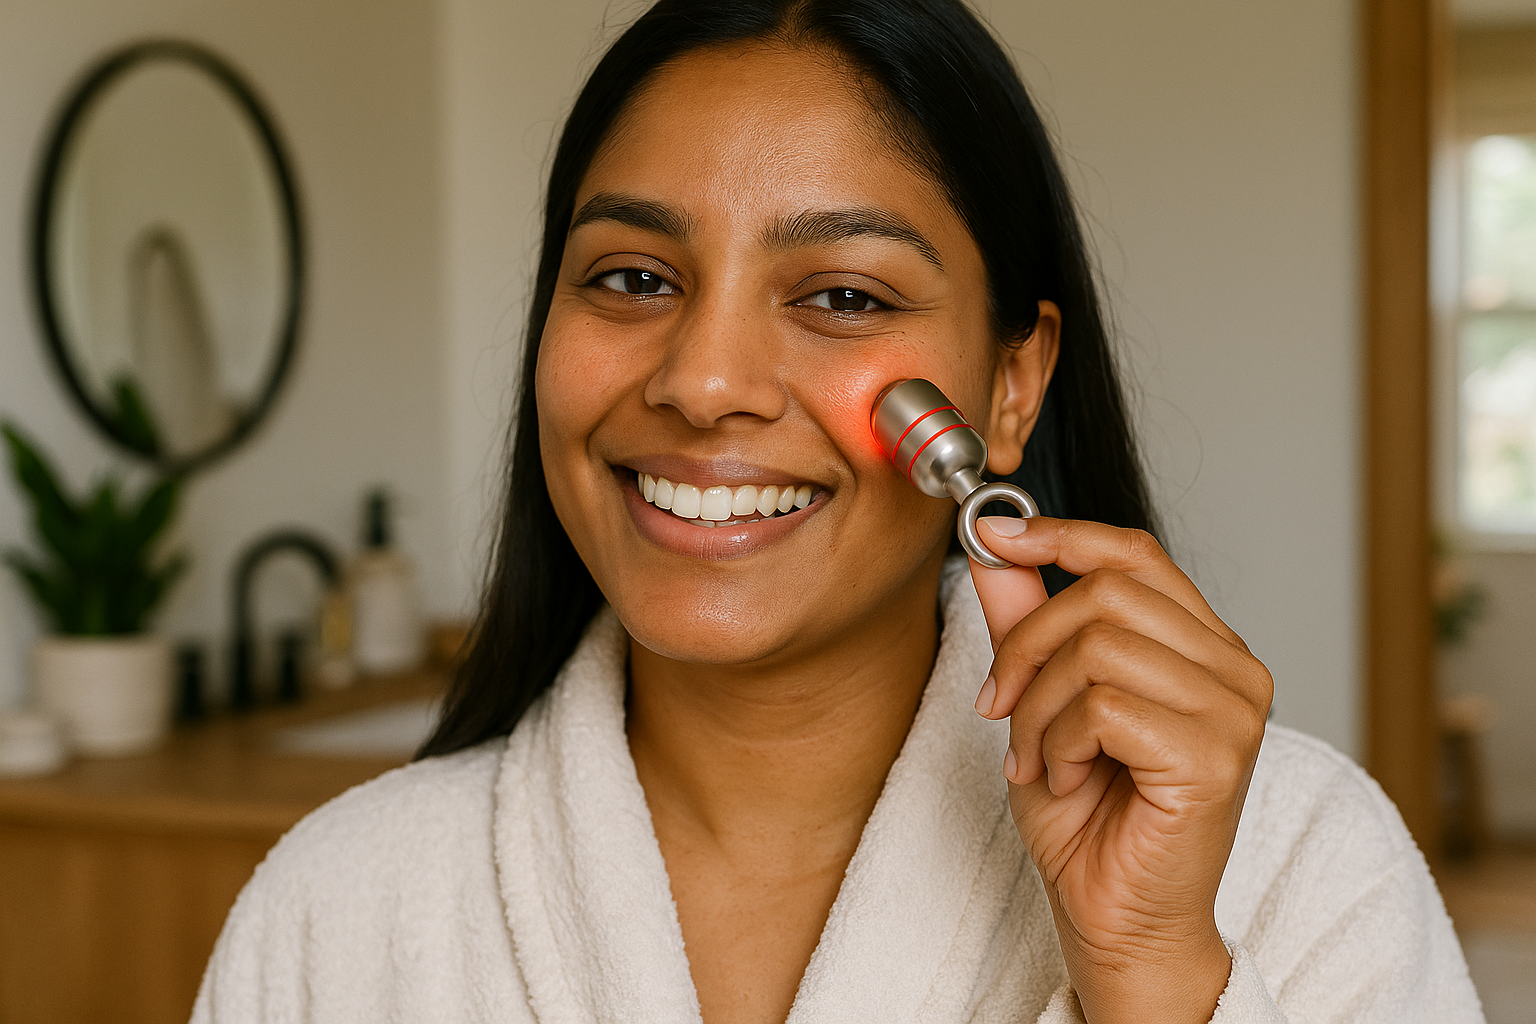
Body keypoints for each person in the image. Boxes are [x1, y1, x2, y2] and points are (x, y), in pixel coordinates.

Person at [192, 1, 1485, 1022]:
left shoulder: (1299, 864)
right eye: (632, 276)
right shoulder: (341, 905)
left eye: (846, 297)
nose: (701, 382)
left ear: (1015, 383)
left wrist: (1151, 971)